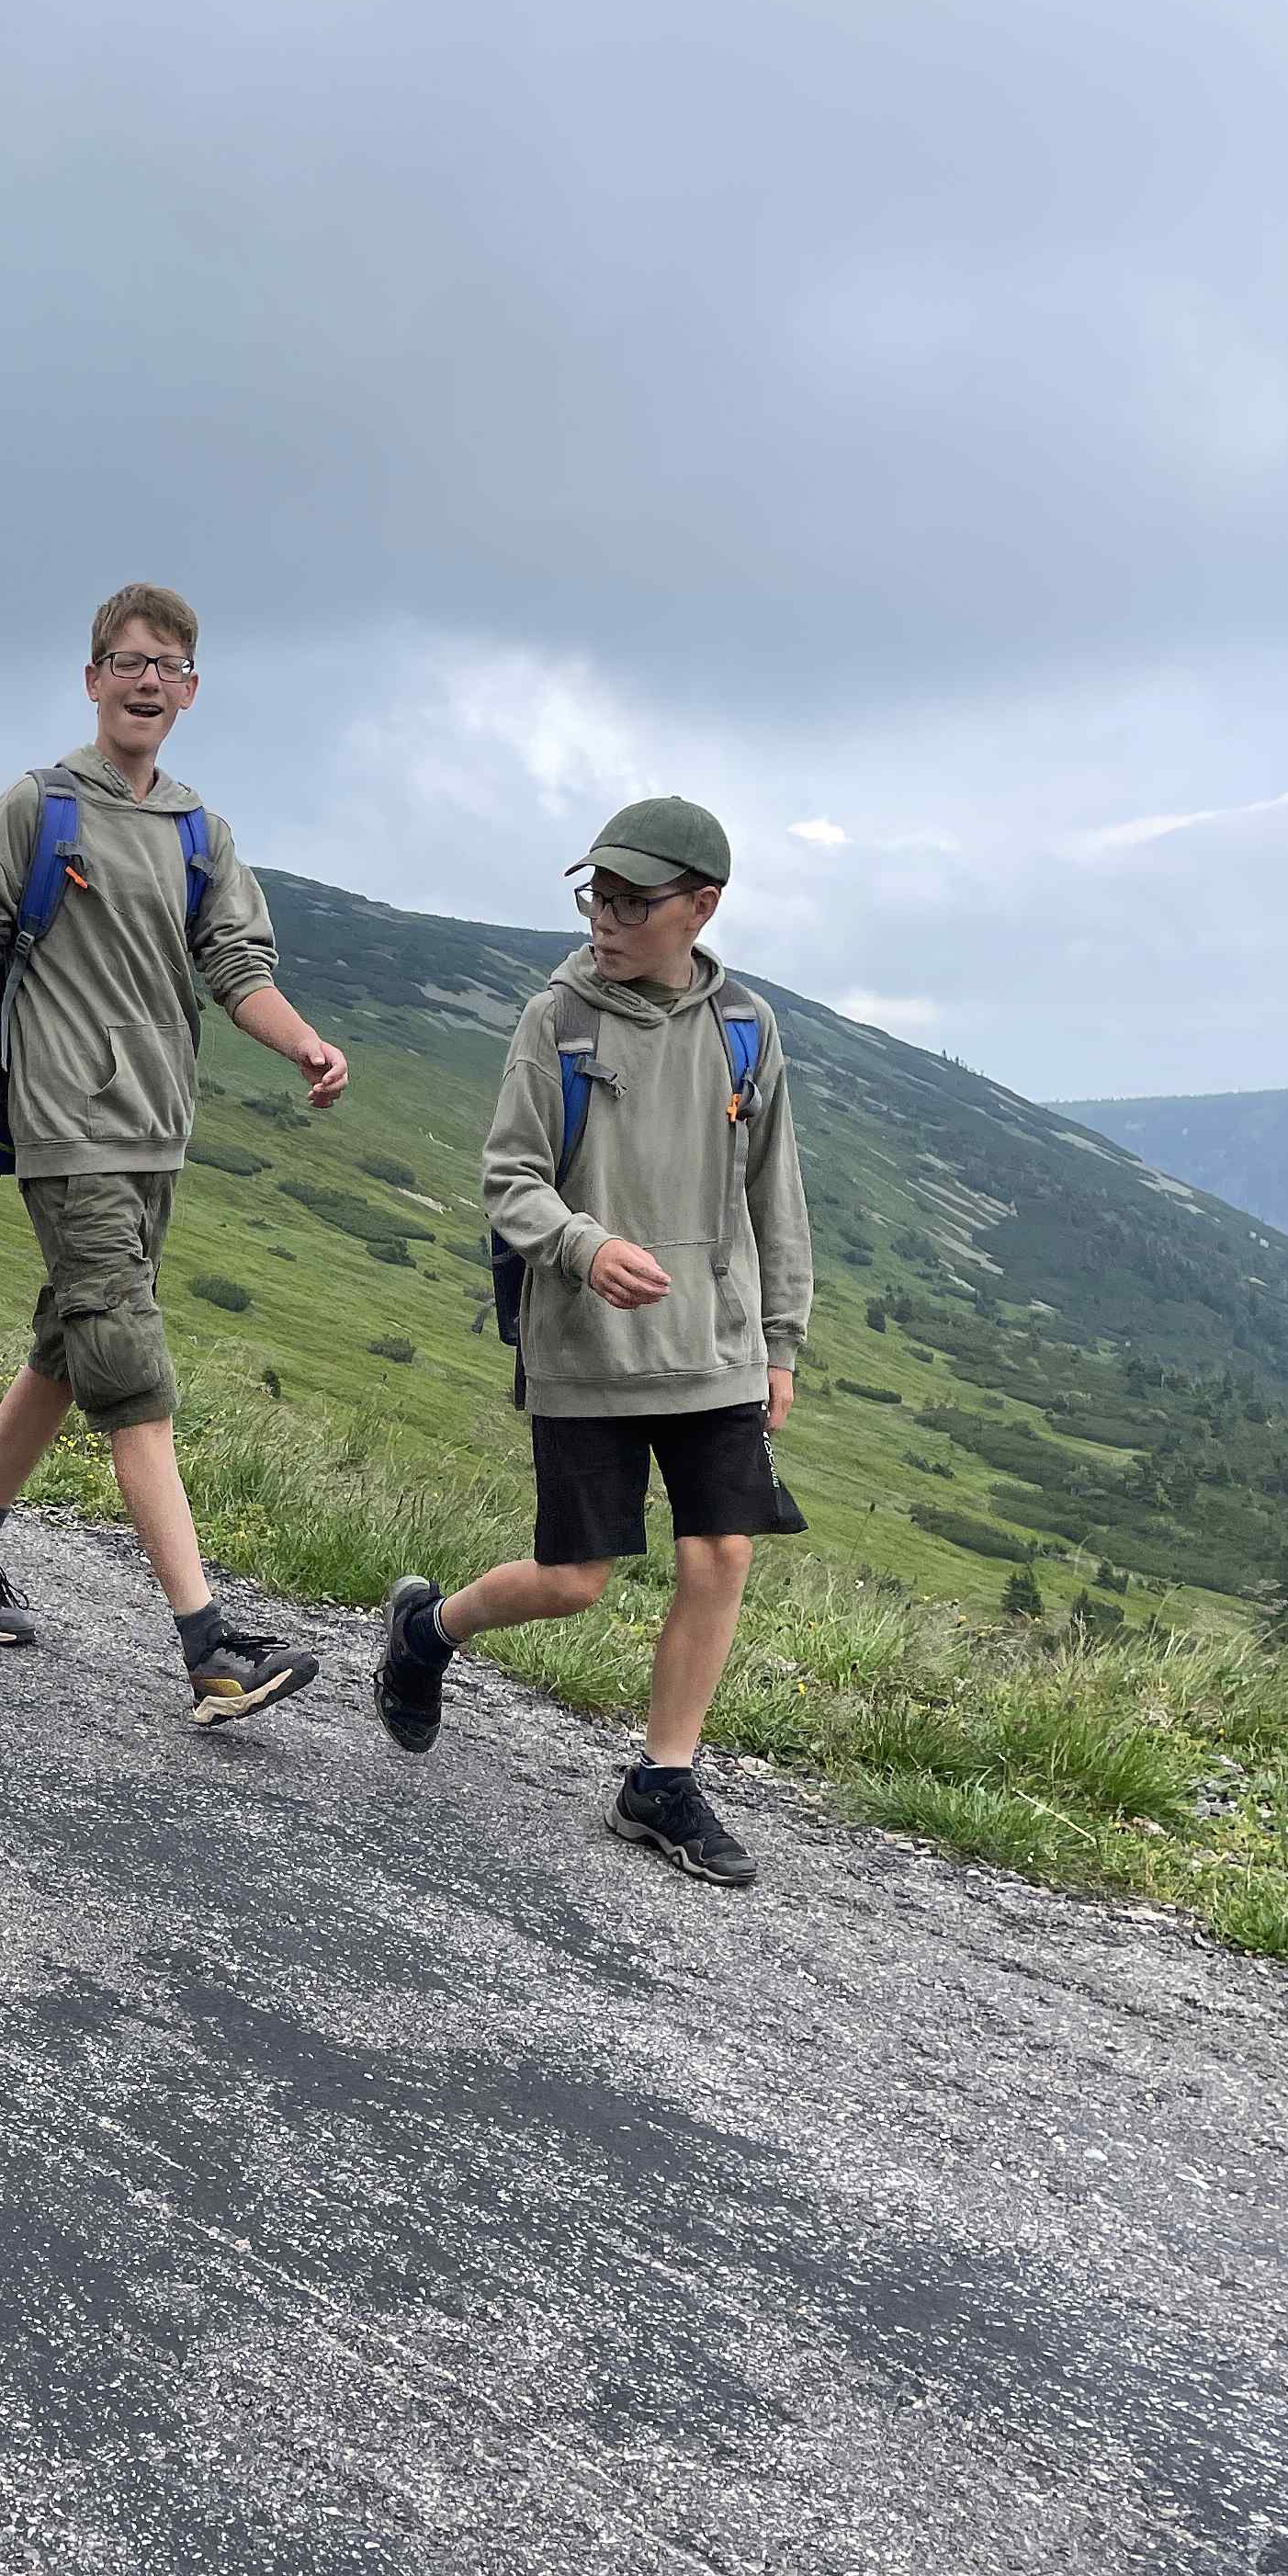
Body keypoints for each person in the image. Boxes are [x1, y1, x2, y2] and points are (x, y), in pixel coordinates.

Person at [0, 580, 349, 1725]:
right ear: (93, 679)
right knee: (132, 1373)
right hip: (65, 1129)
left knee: (68, 1342)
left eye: (168, 666)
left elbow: (235, 967)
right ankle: (209, 1647)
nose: (148, 681)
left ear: (191, 690)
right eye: (128, 662)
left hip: (155, 1132)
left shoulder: (199, 832)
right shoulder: (39, 809)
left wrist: (303, 1043)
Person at [370, 795, 811, 1887]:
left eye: (630, 903)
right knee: (574, 1580)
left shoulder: (746, 1028)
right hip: (588, 1345)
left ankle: (661, 1780)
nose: (606, 920)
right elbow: (509, 1177)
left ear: (701, 907)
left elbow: (775, 1195)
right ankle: (429, 1633)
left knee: (721, 1553)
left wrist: (780, 1342)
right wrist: (583, 1244)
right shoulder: (558, 1021)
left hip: (713, 1343)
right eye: (596, 899)